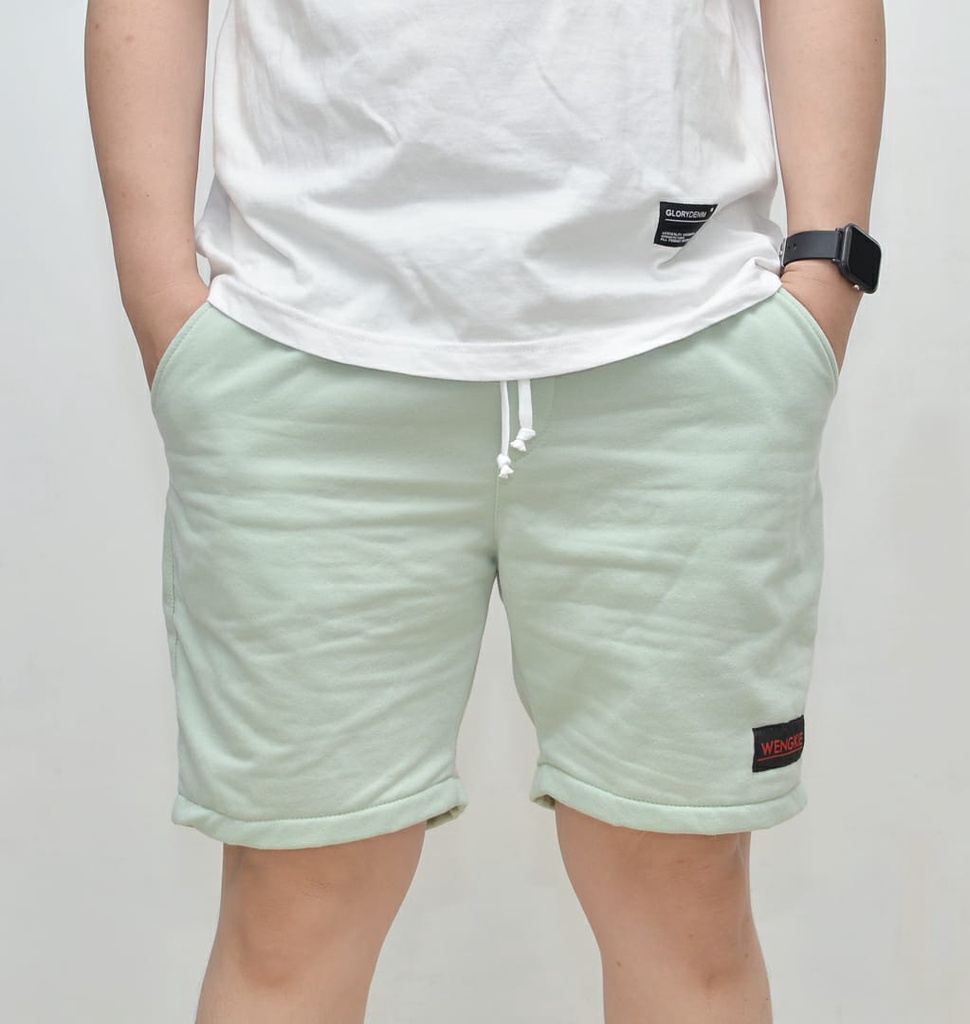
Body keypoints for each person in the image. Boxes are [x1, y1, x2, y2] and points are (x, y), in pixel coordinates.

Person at [84, 0, 885, 1020]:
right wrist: (159, 292)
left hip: (681, 353)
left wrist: (825, 276)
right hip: (303, 348)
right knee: (292, 911)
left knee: (683, 899)